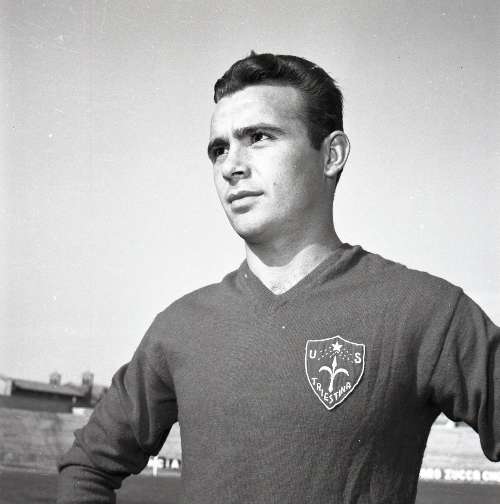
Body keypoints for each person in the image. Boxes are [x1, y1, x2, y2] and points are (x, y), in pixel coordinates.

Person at [57, 52, 499, 503]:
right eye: (219, 149)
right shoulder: (180, 327)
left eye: (259, 137)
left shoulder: (424, 311)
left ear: (331, 155)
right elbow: (86, 468)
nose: (231, 166)